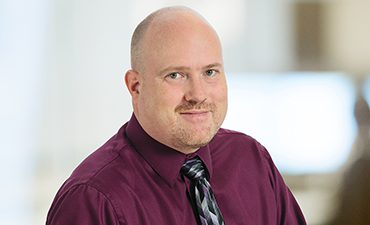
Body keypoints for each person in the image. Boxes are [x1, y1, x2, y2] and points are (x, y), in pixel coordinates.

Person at [46, 6, 306, 225]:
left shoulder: (252, 160)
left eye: (210, 72)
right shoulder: (92, 199)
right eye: (175, 75)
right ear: (136, 86)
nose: (197, 94)